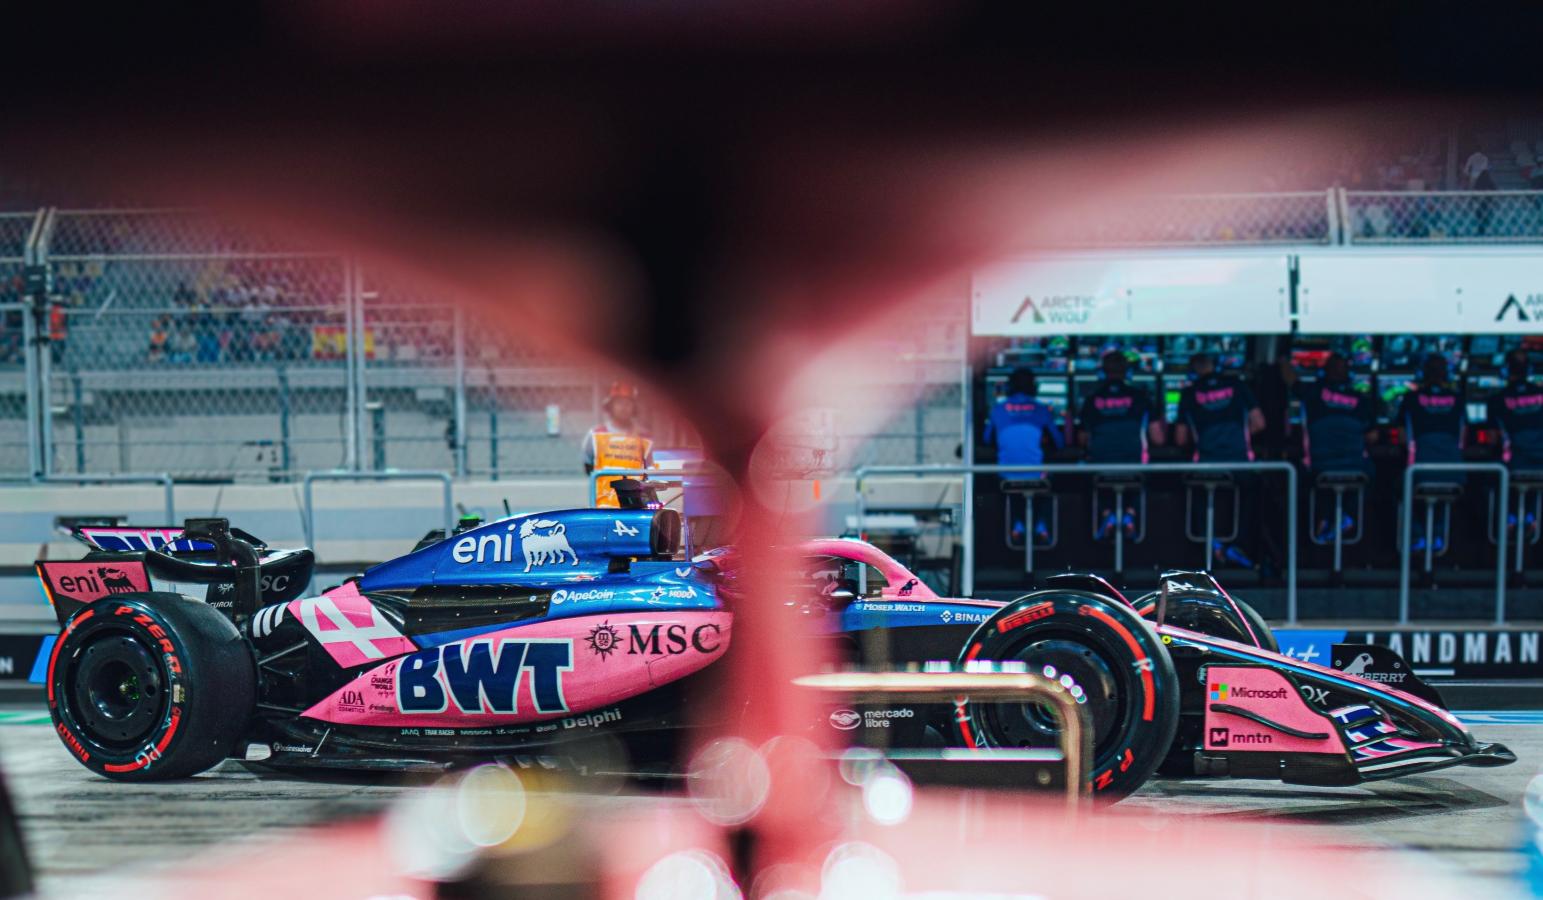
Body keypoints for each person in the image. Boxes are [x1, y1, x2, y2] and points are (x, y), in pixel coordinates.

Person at [1174, 353, 1265, 568]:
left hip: (1206, 464)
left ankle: (1211, 544)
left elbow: (1180, 438)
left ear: (1193, 370)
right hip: (1239, 462)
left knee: (1197, 493)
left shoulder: (1189, 393)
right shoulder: (1238, 386)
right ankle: (1238, 545)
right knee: (1251, 492)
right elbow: (1260, 423)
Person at [1283, 353, 1379, 542]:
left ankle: (1325, 520)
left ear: (1324, 372)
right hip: (1355, 467)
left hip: (1320, 467)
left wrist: (1281, 357)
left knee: (1307, 481)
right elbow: (1373, 436)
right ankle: (1345, 516)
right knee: (1376, 475)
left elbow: (1290, 379)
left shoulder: (1313, 392)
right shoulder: (1360, 399)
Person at [1076, 351, 1164, 539]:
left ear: (1102, 372)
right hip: (1134, 466)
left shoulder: (1092, 399)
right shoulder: (1141, 397)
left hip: (1100, 467)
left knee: (1086, 471)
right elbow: (1158, 439)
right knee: (1144, 475)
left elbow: (1081, 439)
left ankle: (1107, 513)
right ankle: (1130, 514)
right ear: (1127, 371)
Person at [984, 367, 1064, 544]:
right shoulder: (1041, 409)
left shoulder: (998, 409)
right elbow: (1060, 443)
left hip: (1005, 476)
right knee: (1052, 480)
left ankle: (1017, 524)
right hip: (1037, 476)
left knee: (1014, 489)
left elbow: (987, 439)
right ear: (1033, 387)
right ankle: (1041, 524)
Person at [1398, 354, 1468, 553]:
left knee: (1398, 488)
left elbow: (1403, 437)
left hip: (1419, 471)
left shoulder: (1411, 399)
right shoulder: (1458, 399)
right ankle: (1437, 534)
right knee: (1444, 492)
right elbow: (1464, 437)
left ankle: (1418, 535)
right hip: (1454, 474)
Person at [1488, 348, 1543, 541]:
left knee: (1489, 479)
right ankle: (1529, 516)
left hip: (1513, 467)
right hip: (1539, 467)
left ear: (1506, 370)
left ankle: (1511, 519)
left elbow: (1493, 439)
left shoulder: (1497, 400)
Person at [585, 380, 654, 508]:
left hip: (634, 505)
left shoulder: (644, 438)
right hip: (603, 506)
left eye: (628, 403)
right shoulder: (596, 435)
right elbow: (588, 466)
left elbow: (649, 470)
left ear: (634, 407)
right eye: (619, 402)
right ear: (610, 406)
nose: (624, 407)